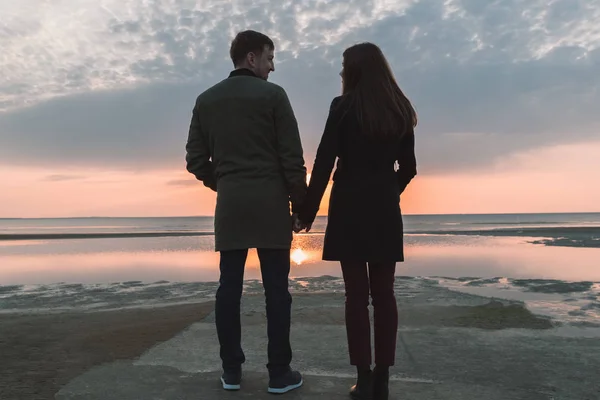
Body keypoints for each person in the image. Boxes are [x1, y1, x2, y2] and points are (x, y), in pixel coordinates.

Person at [185, 30, 306, 394]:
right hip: (270, 203)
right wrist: (299, 205)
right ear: (251, 58)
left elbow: (194, 160)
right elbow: (292, 158)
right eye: (270, 58)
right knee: (277, 292)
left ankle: (232, 372)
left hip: (232, 206)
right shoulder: (274, 96)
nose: (273, 66)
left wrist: (224, 182)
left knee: (229, 289)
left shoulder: (206, 100)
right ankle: (279, 373)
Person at [296, 42, 418, 400]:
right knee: (384, 296)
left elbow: (323, 162)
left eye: (343, 66)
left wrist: (306, 211)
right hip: (383, 207)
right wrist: (389, 191)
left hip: (348, 206)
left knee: (355, 297)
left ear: (354, 71)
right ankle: (383, 380)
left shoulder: (343, 107)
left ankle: (363, 379)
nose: (340, 72)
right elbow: (408, 169)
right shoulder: (400, 108)